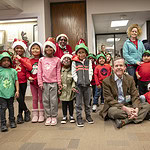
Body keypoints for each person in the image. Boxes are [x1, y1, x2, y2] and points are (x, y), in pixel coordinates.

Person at [100, 57, 150, 129]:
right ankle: (138, 116)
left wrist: (136, 109)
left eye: (121, 65)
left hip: (128, 104)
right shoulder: (106, 81)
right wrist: (125, 109)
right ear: (113, 68)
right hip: (115, 107)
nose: (119, 68)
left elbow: (135, 95)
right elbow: (109, 100)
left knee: (147, 105)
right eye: (116, 66)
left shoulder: (130, 78)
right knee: (112, 112)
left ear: (124, 67)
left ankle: (124, 121)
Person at [38, 37, 61, 126]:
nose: (48, 49)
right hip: (44, 83)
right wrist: (40, 82)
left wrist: (59, 83)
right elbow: (39, 72)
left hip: (54, 83)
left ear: (53, 49)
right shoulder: (41, 60)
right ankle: (48, 116)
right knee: (46, 100)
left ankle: (54, 116)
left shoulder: (57, 60)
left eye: (50, 47)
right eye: (46, 47)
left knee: (54, 100)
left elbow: (58, 72)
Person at [72, 39, 94, 127]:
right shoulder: (74, 62)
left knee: (87, 102)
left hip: (88, 86)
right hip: (79, 86)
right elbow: (73, 73)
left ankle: (88, 116)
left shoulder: (89, 62)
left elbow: (90, 71)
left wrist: (89, 79)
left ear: (86, 53)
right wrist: (78, 81)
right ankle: (79, 118)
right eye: (79, 52)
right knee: (78, 103)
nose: (81, 54)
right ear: (77, 54)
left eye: (83, 52)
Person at [12, 39, 32, 124]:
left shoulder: (26, 59)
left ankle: (20, 115)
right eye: (17, 48)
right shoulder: (12, 58)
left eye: (21, 48)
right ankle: (26, 111)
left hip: (23, 81)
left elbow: (30, 67)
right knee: (18, 98)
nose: (19, 50)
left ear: (24, 50)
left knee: (21, 98)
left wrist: (21, 59)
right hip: (13, 81)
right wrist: (13, 59)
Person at [0, 52, 19, 132]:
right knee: (2, 108)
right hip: (1, 94)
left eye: (8, 60)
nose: (6, 62)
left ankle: (12, 121)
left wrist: (17, 91)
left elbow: (16, 81)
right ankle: (3, 123)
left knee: (11, 107)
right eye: (4, 60)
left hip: (10, 93)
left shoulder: (13, 71)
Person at [27, 42, 44, 123]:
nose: (35, 50)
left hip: (40, 83)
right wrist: (28, 77)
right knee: (34, 99)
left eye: (37, 48)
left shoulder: (42, 60)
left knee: (41, 99)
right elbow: (27, 71)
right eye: (33, 48)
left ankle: (41, 114)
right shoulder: (29, 60)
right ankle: (35, 115)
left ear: (40, 50)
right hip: (32, 83)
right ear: (30, 50)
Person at [59, 54, 76, 124]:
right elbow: (58, 79)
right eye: (64, 59)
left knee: (71, 103)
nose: (66, 60)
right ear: (62, 61)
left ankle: (71, 115)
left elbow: (74, 80)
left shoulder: (72, 70)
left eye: (68, 59)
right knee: (64, 104)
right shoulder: (60, 70)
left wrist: (73, 87)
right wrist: (59, 87)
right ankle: (64, 116)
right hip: (63, 90)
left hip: (70, 90)